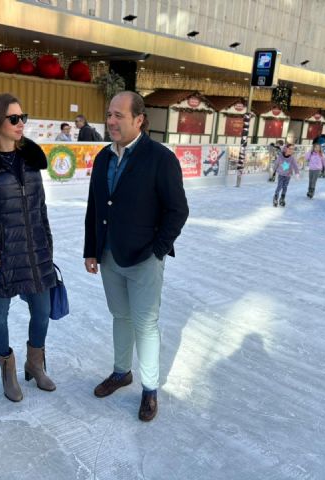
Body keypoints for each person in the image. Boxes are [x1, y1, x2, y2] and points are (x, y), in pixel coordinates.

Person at [83, 91, 189, 422]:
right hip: (109, 255)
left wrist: (157, 250)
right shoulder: (103, 158)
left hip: (144, 259)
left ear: (139, 119)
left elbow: (178, 210)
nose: (111, 121)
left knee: (146, 324)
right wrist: (91, 249)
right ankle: (121, 372)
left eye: (119, 115)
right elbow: (94, 207)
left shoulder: (160, 158)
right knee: (121, 317)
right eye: (109, 114)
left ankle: (149, 388)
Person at [0, 93, 58, 402]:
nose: (21, 124)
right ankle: (7, 369)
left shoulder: (29, 158)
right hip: (0, 254)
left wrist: (48, 247)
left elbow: (40, 207)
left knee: (42, 311)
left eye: (23, 117)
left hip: (35, 249)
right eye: (14, 119)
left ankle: (35, 363)